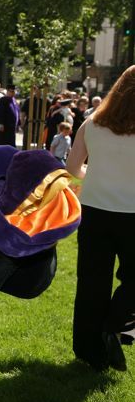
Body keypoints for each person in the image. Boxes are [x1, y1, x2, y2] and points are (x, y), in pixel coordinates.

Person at [67, 65, 135, 372]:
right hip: (131, 214)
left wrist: (96, 178)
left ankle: (89, 350)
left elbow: (72, 168)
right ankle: (114, 325)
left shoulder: (91, 123)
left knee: (91, 283)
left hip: (94, 212)